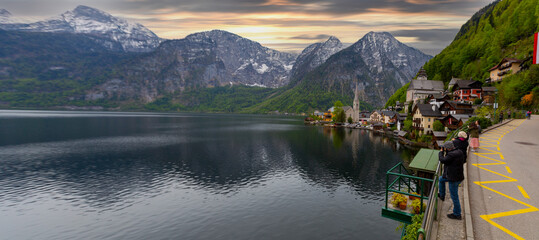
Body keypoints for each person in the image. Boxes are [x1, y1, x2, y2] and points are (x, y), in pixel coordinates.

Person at [438, 141, 465, 220]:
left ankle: (457, 214)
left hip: (453, 178)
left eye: (445, 147)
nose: (444, 149)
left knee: (454, 196)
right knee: (441, 179)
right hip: (456, 175)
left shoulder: (451, 155)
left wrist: (441, 153)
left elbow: (442, 160)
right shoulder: (459, 152)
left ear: (448, 148)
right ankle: (442, 195)